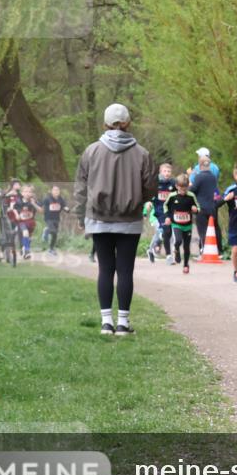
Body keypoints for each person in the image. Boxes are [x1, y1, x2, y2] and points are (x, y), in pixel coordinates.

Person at [75, 103, 156, 336]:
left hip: (99, 218)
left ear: (105, 123)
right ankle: (123, 323)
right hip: (129, 220)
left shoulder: (91, 152)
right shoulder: (142, 154)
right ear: (128, 123)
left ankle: (106, 322)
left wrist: (80, 213)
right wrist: (138, 199)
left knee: (105, 269)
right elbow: (150, 186)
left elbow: (81, 187)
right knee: (125, 271)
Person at [164, 174, 199, 275]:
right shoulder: (172, 196)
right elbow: (165, 206)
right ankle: (176, 249)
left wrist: (196, 210)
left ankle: (186, 265)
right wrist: (167, 216)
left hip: (187, 225)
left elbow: (198, 207)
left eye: (185, 189)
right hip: (176, 224)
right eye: (181, 189)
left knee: (187, 247)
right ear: (176, 186)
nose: (183, 191)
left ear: (188, 186)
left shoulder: (191, 196)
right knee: (178, 240)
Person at [190, 155, 221, 255]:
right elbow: (215, 192)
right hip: (212, 207)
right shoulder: (213, 177)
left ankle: (204, 250)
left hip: (201, 208)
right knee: (213, 229)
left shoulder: (199, 177)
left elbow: (193, 190)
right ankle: (217, 250)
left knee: (203, 230)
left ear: (199, 165)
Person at [151, 163, 176, 264]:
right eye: (165, 171)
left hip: (170, 211)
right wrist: (149, 203)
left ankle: (151, 250)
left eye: (169, 171)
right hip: (160, 211)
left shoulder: (173, 183)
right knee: (165, 231)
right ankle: (169, 257)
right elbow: (150, 194)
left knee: (168, 233)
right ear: (161, 172)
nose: (167, 173)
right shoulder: (156, 183)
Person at [41, 184, 69, 255]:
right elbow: (42, 206)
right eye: (55, 190)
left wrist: (66, 209)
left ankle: (51, 249)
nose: (56, 191)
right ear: (51, 191)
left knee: (55, 234)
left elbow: (64, 205)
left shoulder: (60, 198)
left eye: (58, 190)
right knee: (52, 231)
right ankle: (46, 231)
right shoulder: (47, 199)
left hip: (56, 218)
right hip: (48, 218)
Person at [14, 185, 39, 260]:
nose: (27, 193)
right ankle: (27, 251)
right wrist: (17, 215)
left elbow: (40, 209)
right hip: (22, 222)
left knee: (28, 238)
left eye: (29, 192)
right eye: (25, 191)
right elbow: (14, 209)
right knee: (25, 233)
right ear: (22, 193)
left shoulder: (34, 201)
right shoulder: (19, 201)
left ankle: (24, 251)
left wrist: (34, 204)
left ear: (32, 193)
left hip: (31, 223)